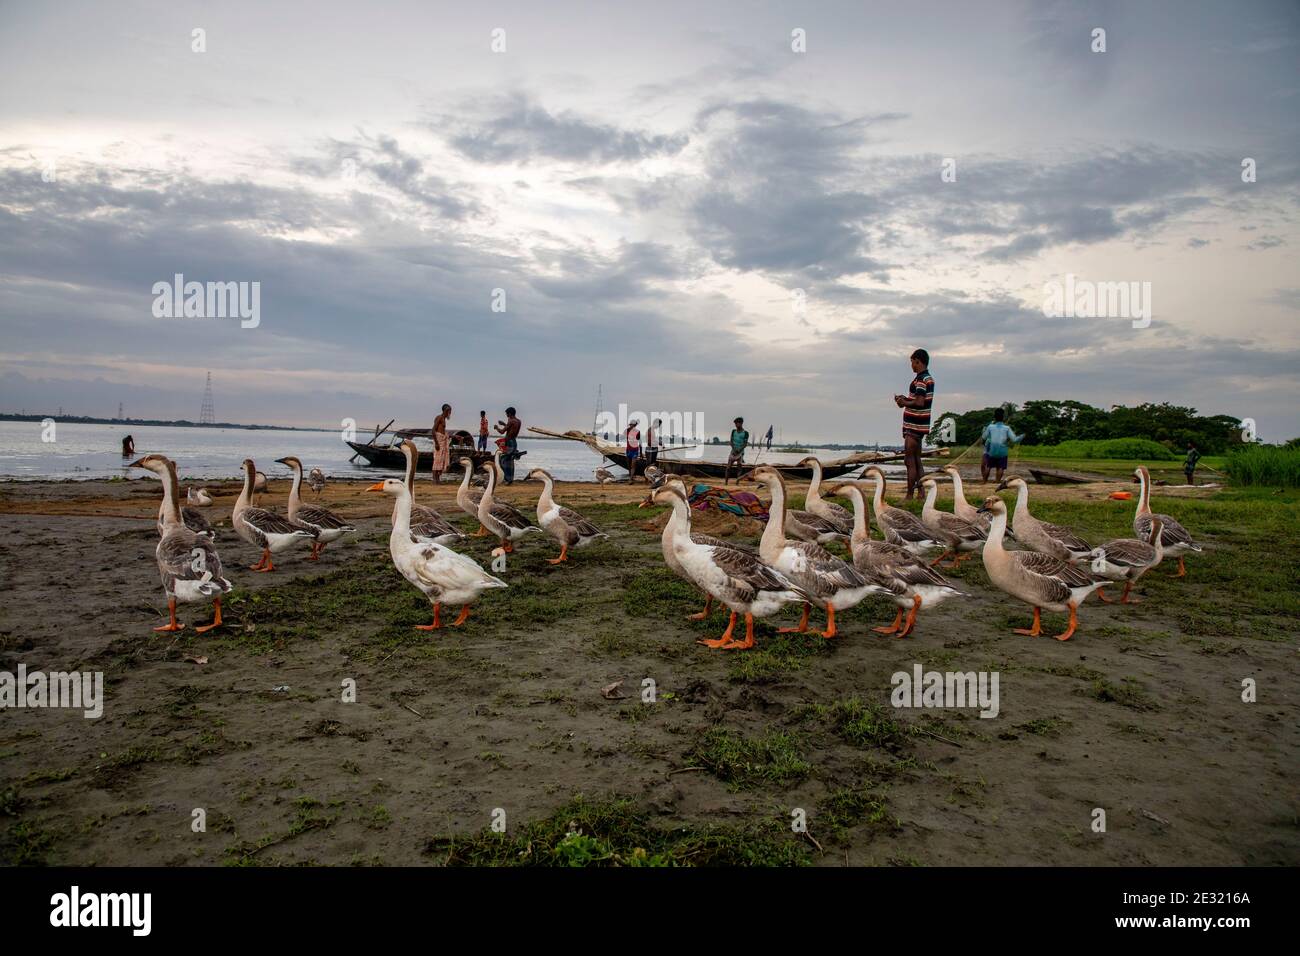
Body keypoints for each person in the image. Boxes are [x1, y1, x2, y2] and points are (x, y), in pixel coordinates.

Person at [894, 348, 933, 499]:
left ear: (918, 361)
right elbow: (917, 399)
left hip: (914, 425)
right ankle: (921, 493)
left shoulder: (921, 380)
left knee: (909, 461)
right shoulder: (927, 378)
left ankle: (909, 495)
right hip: (920, 425)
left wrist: (903, 402)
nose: (911, 365)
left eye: (912, 362)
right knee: (917, 460)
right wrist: (905, 399)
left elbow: (919, 402)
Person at [980, 407, 1022, 483]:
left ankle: (984, 481)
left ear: (995, 417)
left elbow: (983, 437)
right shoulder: (1007, 428)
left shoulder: (990, 426)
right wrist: (1022, 436)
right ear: (1003, 418)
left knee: (988, 466)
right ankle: (997, 482)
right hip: (1002, 451)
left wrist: (984, 438)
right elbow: (1014, 439)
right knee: (1001, 467)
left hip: (992, 451)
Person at [495, 406, 522, 484]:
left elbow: (502, 432)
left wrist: (496, 427)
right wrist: (504, 424)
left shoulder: (511, 421)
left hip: (509, 442)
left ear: (510, 413)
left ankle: (507, 479)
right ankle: (510, 479)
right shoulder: (518, 421)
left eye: (507, 414)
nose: (506, 415)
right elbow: (511, 429)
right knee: (509, 460)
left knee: (503, 459)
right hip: (513, 441)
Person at [724, 417, 749, 485]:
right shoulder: (733, 431)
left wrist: (739, 450)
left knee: (739, 468)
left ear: (741, 423)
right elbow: (731, 441)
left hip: (740, 453)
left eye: (737, 423)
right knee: (728, 468)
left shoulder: (746, 433)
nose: (736, 425)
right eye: (735, 424)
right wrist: (734, 449)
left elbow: (745, 444)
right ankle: (726, 482)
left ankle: (737, 483)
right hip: (733, 452)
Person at [431, 403, 452, 483]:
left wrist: (454, 437)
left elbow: (443, 432)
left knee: (441, 460)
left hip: (442, 441)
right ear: (446, 411)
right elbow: (433, 430)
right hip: (439, 441)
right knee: (437, 459)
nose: (449, 414)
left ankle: (438, 479)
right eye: (449, 412)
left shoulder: (443, 419)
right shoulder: (439, 418)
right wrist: (436, 443)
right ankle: (434, 479)